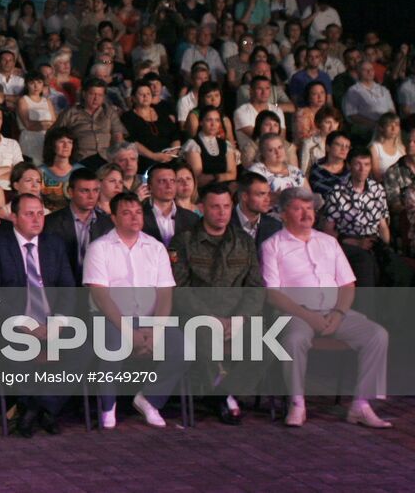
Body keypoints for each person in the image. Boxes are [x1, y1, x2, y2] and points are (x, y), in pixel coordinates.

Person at [262, 187, 392, 429]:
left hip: (335, 312)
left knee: (377, 335)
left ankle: (361, 405)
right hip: (296, 313)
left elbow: (347, 285)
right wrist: (307, 316)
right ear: (283, 214)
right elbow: (272, 294)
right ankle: (297, 403)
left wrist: (339, 313)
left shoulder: (329, 242)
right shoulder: (273, 245)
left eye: (309, 208)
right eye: (298, 208)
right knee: (293, 340)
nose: (305, 214)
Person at [81, 192, 187, 429]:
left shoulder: (156, 247)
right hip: (110, 318)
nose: (134, 217)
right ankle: (108, 406)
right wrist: (129, 332)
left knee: (183, 348)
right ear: (114, 218)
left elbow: (165, 293)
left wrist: (156, 330)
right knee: (113, 345)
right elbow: (100, 296)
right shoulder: (100, 248)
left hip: (150, 319)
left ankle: (149, 399)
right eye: (127, 213)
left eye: (138, 212)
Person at [0, 191, 80, 436]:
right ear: (13, 217)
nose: (36, 219)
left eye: (39, 213)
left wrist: (57, 323)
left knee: (85, 347)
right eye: (28, 214)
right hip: (13, 323)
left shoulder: (54, 244)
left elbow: (69, 289)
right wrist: (26, 325)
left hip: (51, 322)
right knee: (21, 346)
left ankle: (39, 407)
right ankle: (37, 409)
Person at [169, 182, 265, 424]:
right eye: (214, 207)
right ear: (201, 208)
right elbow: (179, 290)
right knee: (201, 335)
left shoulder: (244, 241)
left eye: (226, 207)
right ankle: (224, 399)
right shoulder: (184, 241)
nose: (222, 212)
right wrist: (210, 318)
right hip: (197, 317)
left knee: (268, 342)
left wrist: (240, 318)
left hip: (237, 317)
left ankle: (222, 393)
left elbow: (255, 288)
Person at [318, 148, 392, 288]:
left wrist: (387, 248)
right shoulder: (337, 192)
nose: (362, 169)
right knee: (365, 264)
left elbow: (382, 225)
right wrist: (356, 243)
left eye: (367, 164)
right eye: (358, 164)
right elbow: (328, 231)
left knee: (399, 270)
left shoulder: (378, 190)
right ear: (349, 166)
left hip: (373, 240)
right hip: (348, 241)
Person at [43, 167, 112, 283]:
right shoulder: (51, 223)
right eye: (85, 191)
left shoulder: (107, 225)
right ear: (70, 192)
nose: (91, 196)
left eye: (95, 190)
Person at [52, 78, 125, 169]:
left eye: (100, 95)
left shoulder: (109, 112)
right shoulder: (70, 113)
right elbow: (54, 136)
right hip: (81, 160)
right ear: (84, 94)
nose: (96, 98)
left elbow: (118, 136)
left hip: (105, 159)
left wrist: (115, 158)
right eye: (92, 94)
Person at [183, 106, 237, 186]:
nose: (213, 124)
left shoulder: (225, 144)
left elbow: (232, 175)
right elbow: (198, 178)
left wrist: (215, 177)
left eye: (217, 120)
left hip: (224, 188)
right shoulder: (193, 144)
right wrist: (220, 177)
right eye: (209, 120)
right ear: (201, 122)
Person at [38, 127, 77, 212]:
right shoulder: (39, 172)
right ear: (52, 145)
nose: (66, 146)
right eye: (61, 141)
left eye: (70, 142)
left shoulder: (80, 172)